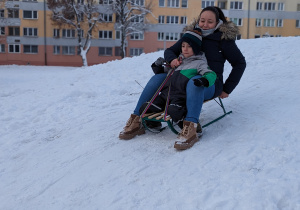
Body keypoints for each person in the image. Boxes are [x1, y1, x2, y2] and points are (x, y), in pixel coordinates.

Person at [119, 6, 246, 150]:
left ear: (218, 23)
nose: (204, 24)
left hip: (209, 82)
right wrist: (172, 59)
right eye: (202, 20)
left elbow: (239, 63)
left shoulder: (223, 40)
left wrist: (227, 88)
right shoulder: (191, 35)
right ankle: (136, 119)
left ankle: (190, 127)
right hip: (183, 77)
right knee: (158, 78)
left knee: (194, 83)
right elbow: (170, 51)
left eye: (210, 22)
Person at [139, 30, 216, 127]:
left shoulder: (199, 63)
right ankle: (154, 125)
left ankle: (188, 126)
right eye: (183, 46)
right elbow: (165, 72)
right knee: (145, 107)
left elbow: (210, 74)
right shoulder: (178, 61)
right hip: (165, 95)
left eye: (189, 46)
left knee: (174, 110)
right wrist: (157, 66)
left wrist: (204, 80)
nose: (185, 49)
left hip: (180, 97)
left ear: (196, 48)